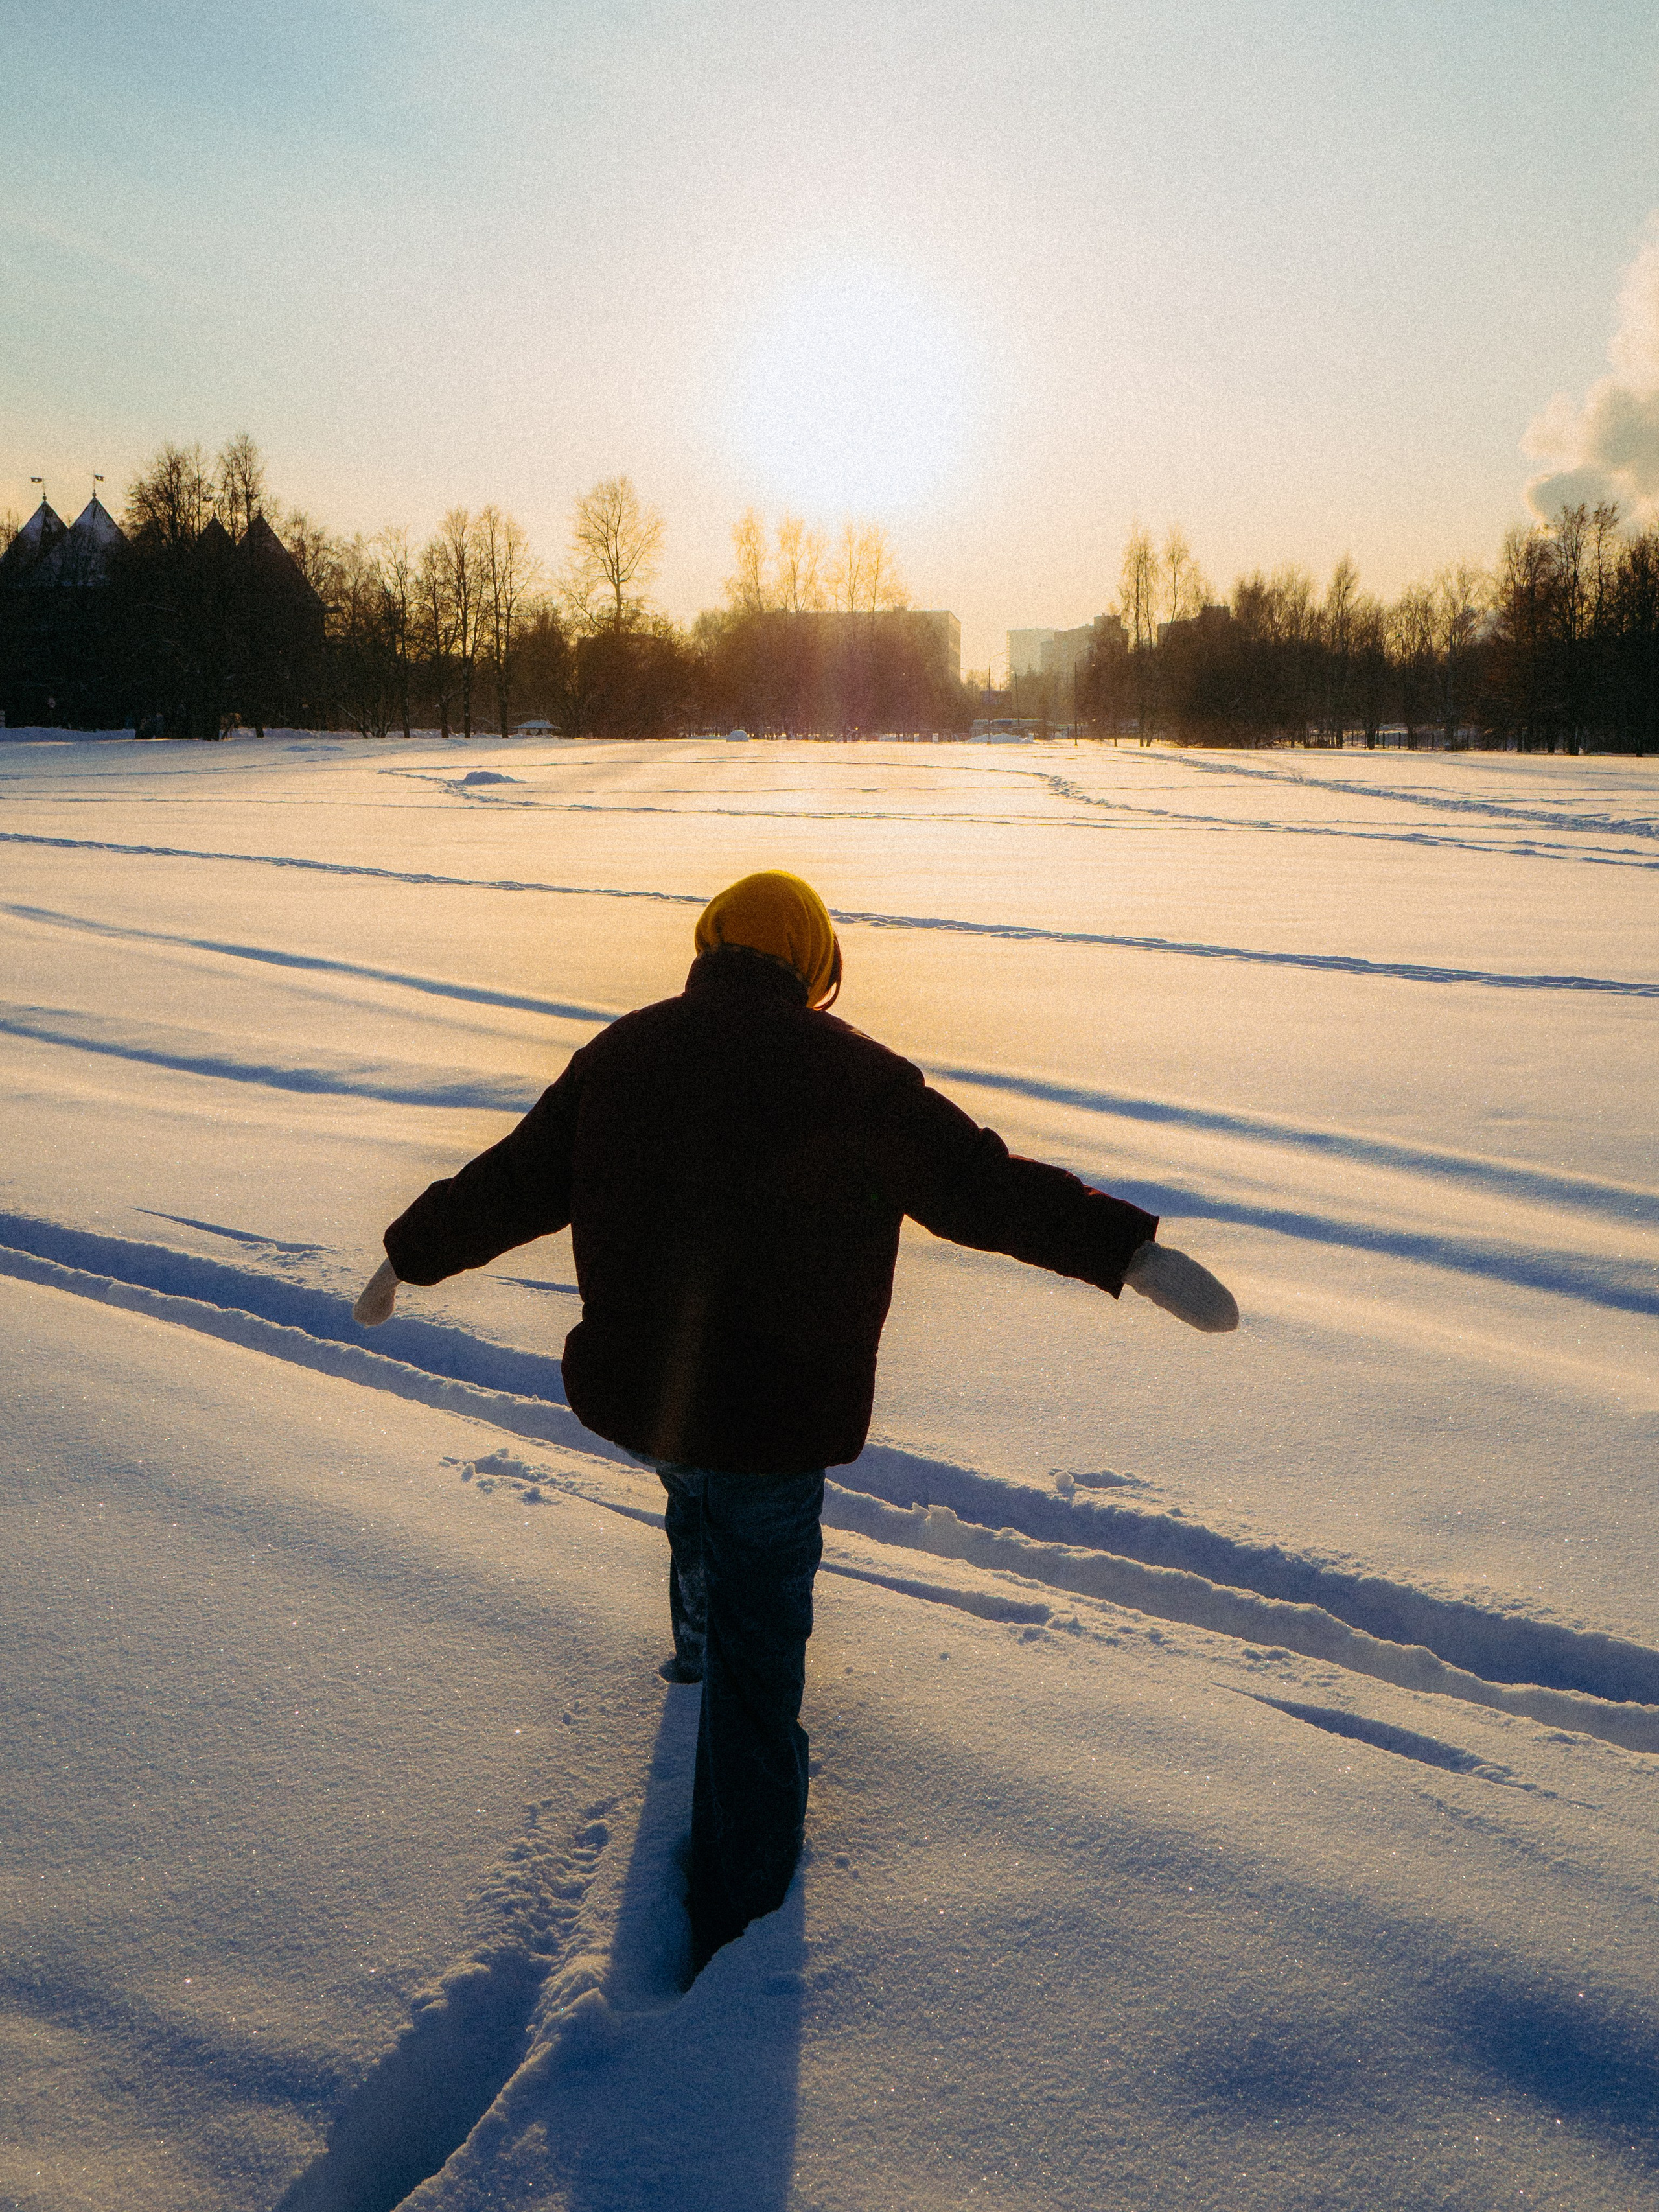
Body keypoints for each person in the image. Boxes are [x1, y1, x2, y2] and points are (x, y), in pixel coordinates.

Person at [354, 870, 1236, 1971]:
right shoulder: (855, 1074)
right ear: (814, 968)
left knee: (693, 1497)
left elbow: (513, 1182)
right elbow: (983, 1187)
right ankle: (737, 1921)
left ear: (712, 946)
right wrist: (1127, 1249)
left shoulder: (623, 1054)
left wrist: (410, 1249)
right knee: (762, 1657)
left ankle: (691, 1657)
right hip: (773, 1420)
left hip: (649, 1402)